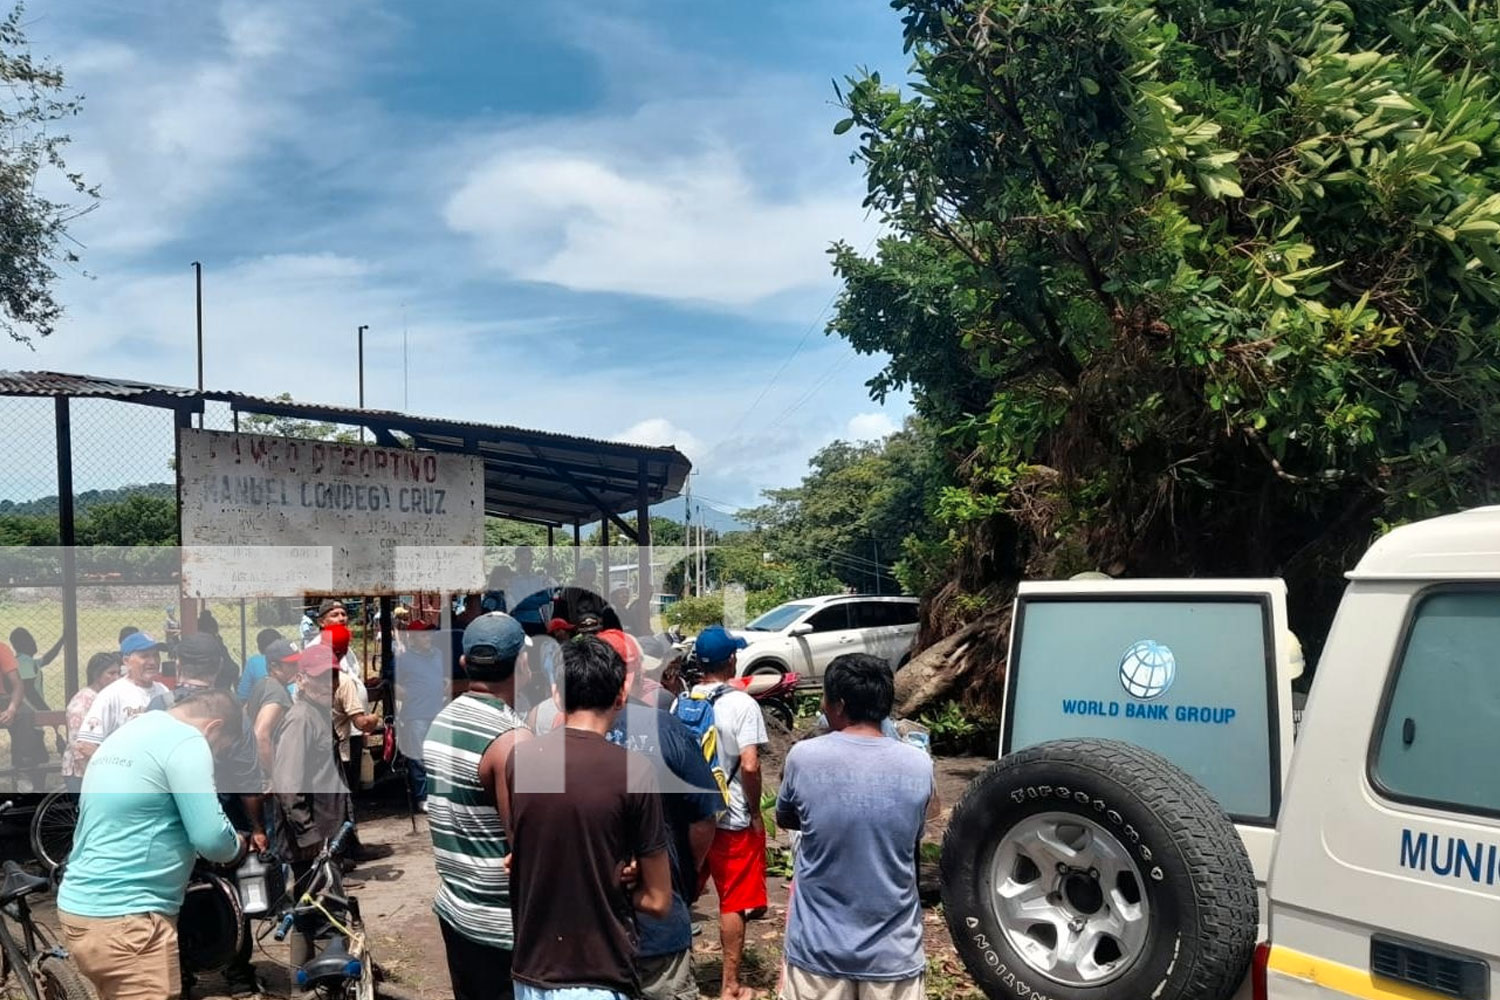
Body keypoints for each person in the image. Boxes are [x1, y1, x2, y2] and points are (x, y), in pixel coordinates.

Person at [507, 636, 673, 1000]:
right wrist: (624, 881)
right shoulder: (633, 770)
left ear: (556, 696)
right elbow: (659, 900)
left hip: (532, 972)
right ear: (620, 697)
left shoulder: (522, 760)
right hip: (601, 973)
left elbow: (522, 852)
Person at [57, 689, 246, 1000]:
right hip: (129, 920)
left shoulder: (129, 732)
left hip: (82, 910)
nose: (214, 758)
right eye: (218, 750)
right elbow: (211, 838)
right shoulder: (187, 740)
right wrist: (236, 845)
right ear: (214, 727)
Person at [775, 655, 937, 1000]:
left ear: (839, 704)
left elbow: (787, 818)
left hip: (818, 952)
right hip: (894, 955)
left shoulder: (803, 757)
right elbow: (915, 832)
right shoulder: (919, 763)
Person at [599, 629, 722, 1000]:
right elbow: (703, 818)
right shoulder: (668, 728)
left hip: (590, 930)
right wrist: (683, 876)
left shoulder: (558, 734)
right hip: (660, 920)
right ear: (634, 676)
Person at [422, 613, 532, 1000]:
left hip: (456, 907)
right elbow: (531, 843)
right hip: (502, 926)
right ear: (523, 664)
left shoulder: (442, 722)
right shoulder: (514, 740)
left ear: (466, 664)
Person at [172, 634, 268, 998]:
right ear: (217, 667)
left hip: (173, 823)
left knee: (174, 896)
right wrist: (256, 828)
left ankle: (180, 975)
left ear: (179, 665)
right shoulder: (230, 711)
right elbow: (247, 779)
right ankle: (238, 974)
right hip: (221, 817)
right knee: (232, 895)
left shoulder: (156, 707)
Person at [689, 625, 768, 1000]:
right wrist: (755, 813)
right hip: (732, 819)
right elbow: (750, 766)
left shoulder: (683, 701)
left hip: (693, 816)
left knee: (684, 893)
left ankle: (678, 974)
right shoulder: (742, 704)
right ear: (732, 660)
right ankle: (731, 985)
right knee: (733, 900)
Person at [267, 642, 351, 966]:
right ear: (301, 679)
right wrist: (310, 836)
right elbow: (288, 786)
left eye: (330, 678)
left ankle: (305, 978)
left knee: (308, 910)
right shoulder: (300, 719)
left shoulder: (318, 713)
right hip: (312, 840)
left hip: (323, 834)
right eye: (317, 678)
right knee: (328, 914)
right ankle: (329, 979)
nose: (325, 685)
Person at [74, 632, 174, 774]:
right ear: (126, 661)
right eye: (145, 656)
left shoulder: (162, 690)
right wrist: (120, 768)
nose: (153, 662)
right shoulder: (112, 694)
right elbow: (85, 744)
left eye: (156, 655)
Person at [394, 619, 446, 812]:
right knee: (417, 757)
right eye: (424, 635)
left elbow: (442, 676)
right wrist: (405, 693)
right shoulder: (403, 659)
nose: (428, 638)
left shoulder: (439, 655)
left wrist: (445, 683)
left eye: (429, 634)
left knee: (438, 755)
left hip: (437, 711)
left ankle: (439, 794)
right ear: (413, 638)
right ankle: (422, 796)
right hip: (415, 714)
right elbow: (392, 682)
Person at [61, 652, 122, 793]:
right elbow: (79, 745)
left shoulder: (109, 697)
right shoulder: (82, 703)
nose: (117, 678)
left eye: (119, 673)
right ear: (96, 675)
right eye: (111, 673)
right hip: (82, 771)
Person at [247, 639, 298, 776]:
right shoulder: (275, 691)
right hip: (266, 774)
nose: (297, 667)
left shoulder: (264, 683)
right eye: (292, 664)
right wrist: (276, 778)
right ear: (274, 667)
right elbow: (260, 736)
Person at [10, 627, 63, 710]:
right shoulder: (25, 662)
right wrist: (46, 712)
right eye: (30, 640)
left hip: (29, 712)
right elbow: (28, 690)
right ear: (23, 644)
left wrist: (62, 640)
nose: (34, 642)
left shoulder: (26, 661)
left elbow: (46, 660)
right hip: (30, 713)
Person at [236, 628, 284, 702]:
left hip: (259, 704)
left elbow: (243, 694)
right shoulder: (286, 660)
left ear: (259, 647)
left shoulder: (253, 661)